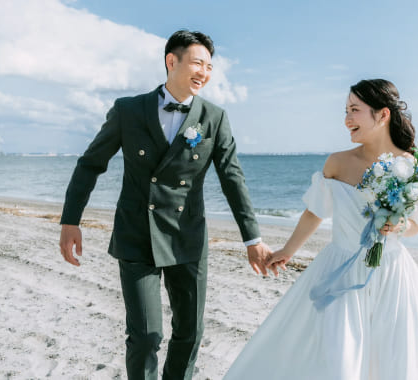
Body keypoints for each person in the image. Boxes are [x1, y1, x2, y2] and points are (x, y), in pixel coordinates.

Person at [58, 29, 272, 380]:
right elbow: (90, 164)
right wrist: (71, 221)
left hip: (188, 237)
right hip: (136, 235)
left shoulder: (214, 117)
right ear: (172, 61)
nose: (204, 73)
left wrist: (252, 238)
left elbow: (232, 178)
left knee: (190, 333)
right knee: (145, 336)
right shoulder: (128, 110)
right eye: (198, 63)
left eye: (209, 66)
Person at [223, 79, 418, 380]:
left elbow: (416, 226)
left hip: (392, 273)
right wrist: (288, 251)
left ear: (383, 115)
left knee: (393, 359)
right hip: (341, 268)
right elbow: (315, 211)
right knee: (339, 357)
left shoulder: (411, 165)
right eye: (346, 111)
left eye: (355, 110)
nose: (347, 119)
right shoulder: (338, 163)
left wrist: (401, 224)